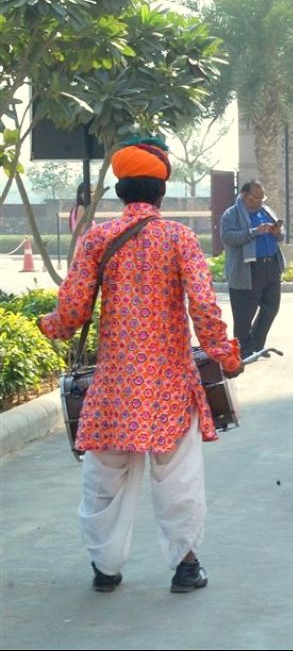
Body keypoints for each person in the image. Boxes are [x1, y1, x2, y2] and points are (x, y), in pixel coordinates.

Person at [38, 137, 242, 594]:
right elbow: (205, 310)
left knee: (105, 479)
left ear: (120, 192)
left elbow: (71, 313)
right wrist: (226, 357)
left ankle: (106, 569)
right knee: (178, 478)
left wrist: (46, 326)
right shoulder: (179, 238)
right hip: (170, 385)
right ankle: (186, 567)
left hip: (113, 387)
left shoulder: (98, 239)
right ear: (161, 194)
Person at [219, 181, 285, 359]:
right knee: (244, 314)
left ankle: (257, 344)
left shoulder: (266, 211)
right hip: (248, 269)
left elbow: (281, 236)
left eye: (262, 197)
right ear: (246, 196)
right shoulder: (231, 215)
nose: (260, 201)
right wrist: (254, 231)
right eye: (256, 198)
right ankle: (244, 350)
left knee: (271, 307)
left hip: (270, 266)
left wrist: (276, 232)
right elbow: (228, 238)